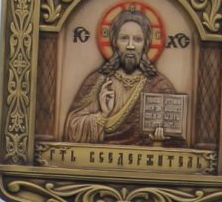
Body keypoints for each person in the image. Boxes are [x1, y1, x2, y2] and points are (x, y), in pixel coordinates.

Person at [62, 8, 177, 145]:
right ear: (114, 42)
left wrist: (159, 141)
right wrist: (102, 116)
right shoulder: (97, 81)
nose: (130, 46)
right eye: (123, 38)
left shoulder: (160, 86)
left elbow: (178, 142)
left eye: (137, 39)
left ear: (145, 45)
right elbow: (72, 130)